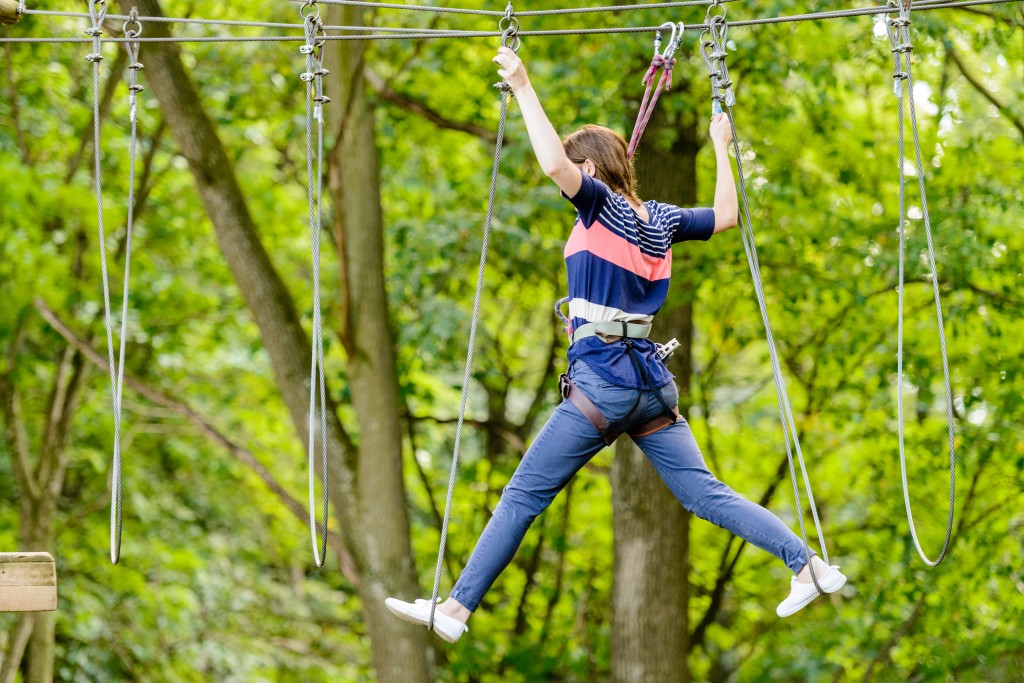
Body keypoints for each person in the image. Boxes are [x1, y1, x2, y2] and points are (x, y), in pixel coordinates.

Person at [386, 47, 847, 644]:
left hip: (603, 381)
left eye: (580, 176)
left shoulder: (598, 207)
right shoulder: (659, 218)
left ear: (593, 174)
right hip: (651, 387)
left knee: (524, 495)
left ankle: (455, 610)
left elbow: (555, 165)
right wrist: (720, 149)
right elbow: (728, 215)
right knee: (706, 493)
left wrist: (524, 84)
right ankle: (808, 565)